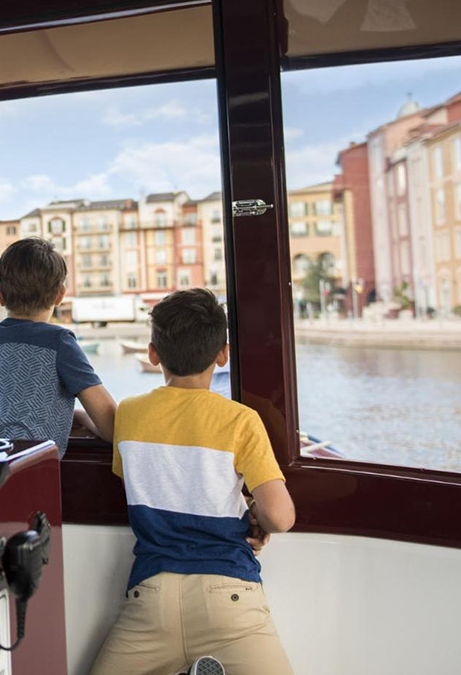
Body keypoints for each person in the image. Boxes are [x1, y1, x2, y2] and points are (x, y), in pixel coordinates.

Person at [89, 288, 295, 675]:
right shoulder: (240, 420)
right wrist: (256, 514)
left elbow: (114, 435)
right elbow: (280, 516)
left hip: (151, 597)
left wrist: (80, 420)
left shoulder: (131, 415)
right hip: (229, 594)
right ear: (223, 354)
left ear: (154, 354)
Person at [0, 236, 117, 452]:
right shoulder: (57, 342)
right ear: (59, 295)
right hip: (25, 472)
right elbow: (111, 425)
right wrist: (78, 416)